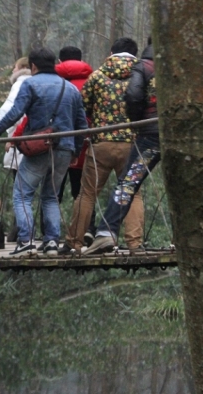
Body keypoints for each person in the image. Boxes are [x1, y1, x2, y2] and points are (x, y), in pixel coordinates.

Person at [0, 47, 88, 256]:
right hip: (64, 149)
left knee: (22, 195)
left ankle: (26, 240)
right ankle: (51, 242)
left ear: (33, 66)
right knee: (51, 196)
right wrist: (75, 150)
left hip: (40, 147)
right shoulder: (71, 89)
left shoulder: (29, 84)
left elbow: (15, 113)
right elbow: (82, 125)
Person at [61, 38, 144, 255]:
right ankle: (135, 244)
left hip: (101, 144)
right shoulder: (142, 75)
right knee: (133, 192)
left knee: (87, 194)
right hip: (132, 145)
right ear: (135, 54)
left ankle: (74, 242)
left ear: (111, 52)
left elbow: (83, 107)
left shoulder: (97, 76)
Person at [85, 40, 159, 255]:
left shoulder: (144, 66)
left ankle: (106, 233)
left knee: (128, 184)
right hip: (182, 137)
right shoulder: (185, 66)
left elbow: (134, 95)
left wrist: (138, 121)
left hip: (151, 135)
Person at [54, 46, 94, 205]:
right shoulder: (93, 80)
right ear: (81, 60)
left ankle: (49, 229)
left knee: (53, 192)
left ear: (59, 61)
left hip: (56, 141)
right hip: (85, 142)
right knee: (83, 191)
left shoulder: (52, 82)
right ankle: (86, 227)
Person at [0, 57, 32, 176]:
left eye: (15, 67)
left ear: (24, 68)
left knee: (20, 183)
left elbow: (8, 110)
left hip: (21, 138)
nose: (13, 71)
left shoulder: (20, 83)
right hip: (36, 139)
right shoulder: (38, 83)